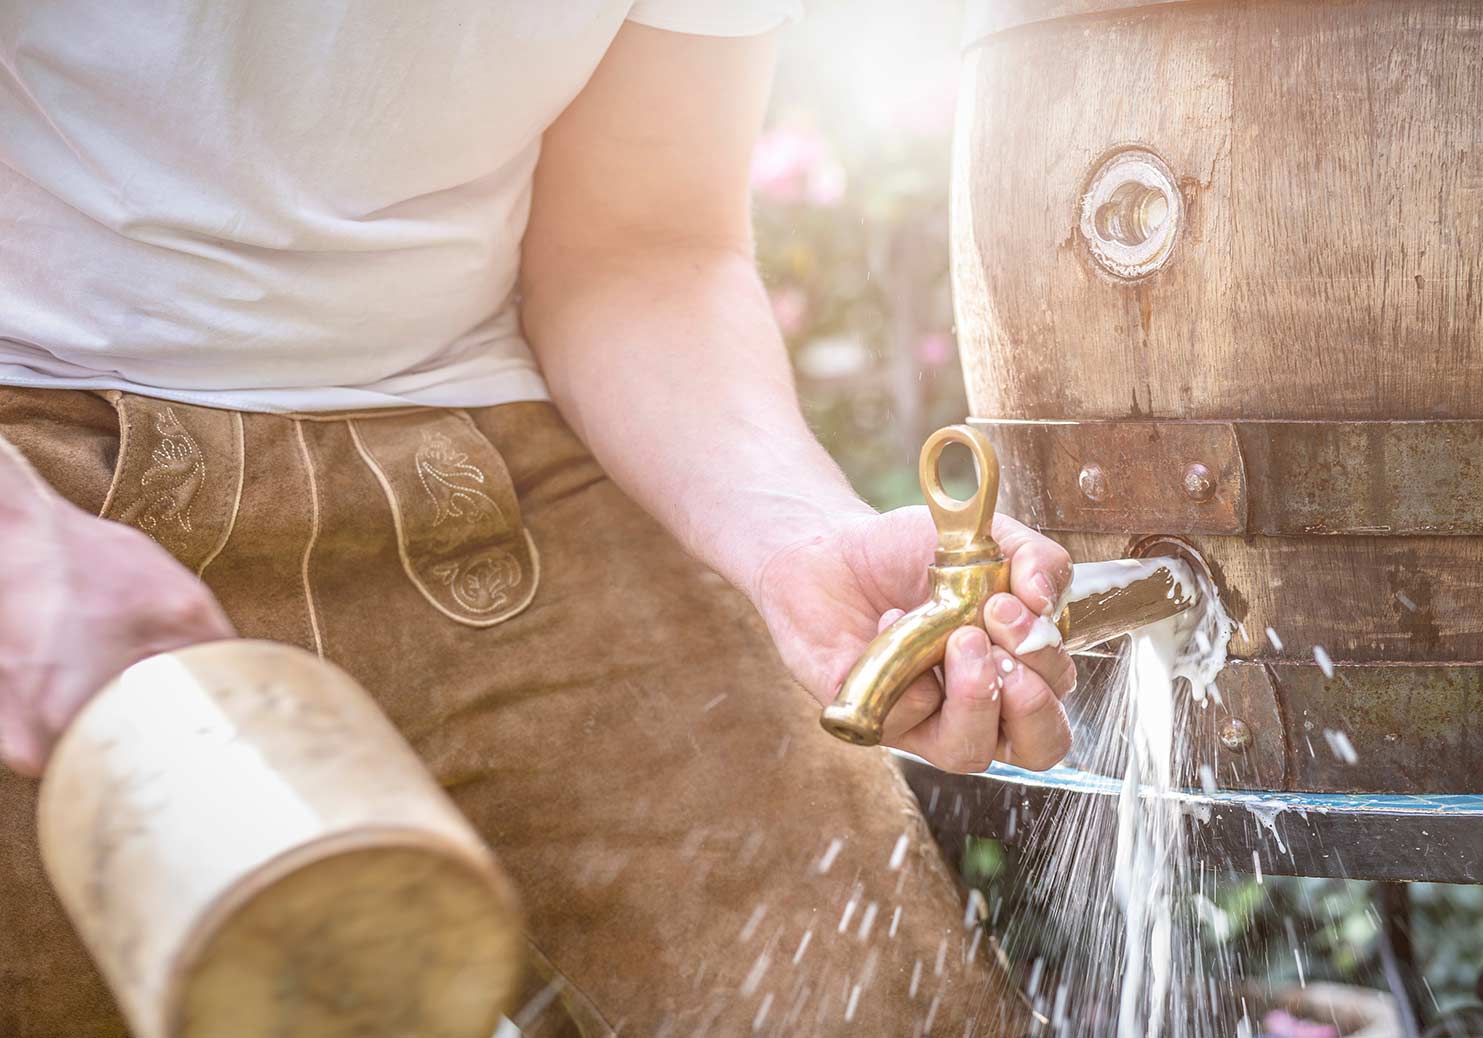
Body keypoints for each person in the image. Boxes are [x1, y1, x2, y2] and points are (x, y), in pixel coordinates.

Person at [0, 4, 1079, 1035]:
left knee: (862, 1001)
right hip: (41, 459)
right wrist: (19, 550)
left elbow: (639, 248)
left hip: (498, 471)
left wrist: (794, 532)